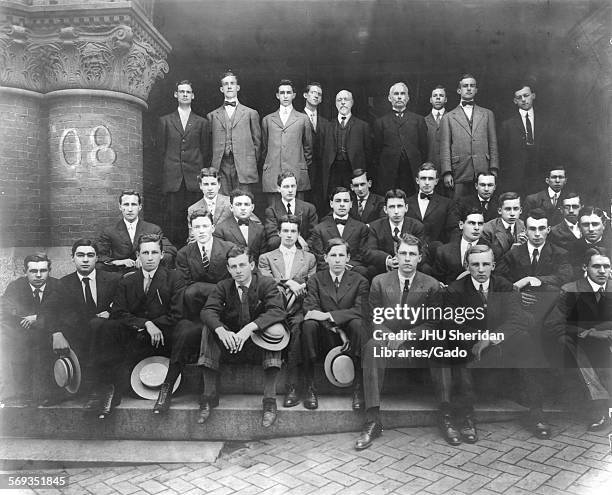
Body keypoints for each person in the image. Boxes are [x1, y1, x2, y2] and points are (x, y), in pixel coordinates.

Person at [90, 234, 200, 419]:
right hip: (138, 336)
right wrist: (145, 324)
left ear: (162, 254)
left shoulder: (174, 278)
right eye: (145, 252)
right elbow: (119, 311)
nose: (150, 257)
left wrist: (155, 324)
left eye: (154, 252)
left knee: (187, 327)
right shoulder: (128, 280)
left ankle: (166, 388)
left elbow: (177, 313)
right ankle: (110, 390)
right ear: (138, 255)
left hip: (165, 336)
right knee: (108, 327)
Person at [445, 245, 540, 441]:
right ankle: (466, 417)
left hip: (499, 342)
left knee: (525, 340)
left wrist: (490, 339)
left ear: (493, 265)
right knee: (457, 347)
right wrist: (479, 337)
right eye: (475, 264)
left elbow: (515, 320)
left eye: (485, 264)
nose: (481, 269)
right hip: (471, 344)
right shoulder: (455, 290)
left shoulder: (505, 286)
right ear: (467, 266)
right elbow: (454, 325)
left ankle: (536, 413)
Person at [356, 234, 441, 450]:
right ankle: (373, 419)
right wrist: (390, 336)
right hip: (387, 341)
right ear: (396, 255)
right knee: (372, 347)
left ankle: (446, 413)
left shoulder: (431, 285)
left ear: (419, 257)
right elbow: (373, 319)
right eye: (403, 253)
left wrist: (406, 336)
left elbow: (433, 323)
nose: (407, 258)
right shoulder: (380, 282)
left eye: (412, 254)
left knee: (443, 346)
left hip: (417, 343)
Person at [198, 245, 287, 427]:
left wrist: (249, 329)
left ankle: (269, 401)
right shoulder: (224, 286)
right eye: (233, 267)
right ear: (229, 269)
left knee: (276, 331)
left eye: (242, 265)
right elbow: (208, 311)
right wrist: (222, 330)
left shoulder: (266, 283)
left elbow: (277, 311)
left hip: (257, 344)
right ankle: (208, 397)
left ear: (252, 265)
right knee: (209, 328)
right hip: (231, 345)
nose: (238, 271)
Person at [547, 247, 612, 432]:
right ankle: (600, 409)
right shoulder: (570, 290)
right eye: (596, 266)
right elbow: (553, 325)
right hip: (579, 343)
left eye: (606, 266)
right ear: (585, 267)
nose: (602, 271)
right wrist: (590, 332)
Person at [302, 238, 369, 410]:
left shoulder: (360, 281)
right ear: (325, 258)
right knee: (309, 325)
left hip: (351, 335)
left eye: (341, 255)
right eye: (333, 255)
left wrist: (330, 315)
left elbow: (361, 310)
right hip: (325, 334)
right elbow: (310, 309)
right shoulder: (315, 280)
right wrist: (334, 327)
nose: (337, 259)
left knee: (359, 324)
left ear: (348, 258)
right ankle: (310, 387)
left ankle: (359, 389)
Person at [258, 214, 317, 408]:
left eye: (293, 231)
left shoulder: (308, 258)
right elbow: (265, 282)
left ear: (299, 234)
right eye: (286, 231)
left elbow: (312, 283)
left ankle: (301, 388)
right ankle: (284, 389)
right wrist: (288, 282)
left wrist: (298, 286)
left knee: (300, 330)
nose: (289, 235)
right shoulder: (266, 257)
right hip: (275, 308)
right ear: (279, 232)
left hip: (298, 308)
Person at [54, 240, 121, 407]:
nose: (85, 259)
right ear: (73, 258)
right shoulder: (63, 284)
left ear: (97, 258)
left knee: (101, 327)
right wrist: (56, 332)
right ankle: (92, 390)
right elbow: (56, 311)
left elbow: (126, 305)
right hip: (81, 336)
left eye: (90, 255)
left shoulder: (113, 279)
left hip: (108, 334)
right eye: (80, 255)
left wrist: (111, 312)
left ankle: (103, 389)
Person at [0, 254, 60, 406]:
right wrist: (30, 319)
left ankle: (49, 393)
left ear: (49, 270)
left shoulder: (58, 286)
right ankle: (18, 393)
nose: (38, 275)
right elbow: (7, 311)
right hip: (22, 334)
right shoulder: (16, 287)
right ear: (25, 271)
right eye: (33, 271)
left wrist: (39, 318)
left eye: (43, 270)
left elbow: (67, 313)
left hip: (49, 332)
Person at [158, 80, 211, 245]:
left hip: (193, 178)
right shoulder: (165, 121)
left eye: (188, 92)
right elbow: (160, 150)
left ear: (193, 95)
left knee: (195, 216)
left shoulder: (201, 122)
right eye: (182, 92)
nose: (185, 94)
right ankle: (174, 252)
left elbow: (206, 150)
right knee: (173, 217)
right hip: (173, 177)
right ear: (176, 94)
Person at [439, 74, 499, 198]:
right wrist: (447, 172)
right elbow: (445, 147)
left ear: (476, 90)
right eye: (465, 86)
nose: (469, 89)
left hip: (483, 167)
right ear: (459, 90)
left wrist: (493, 168)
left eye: (472, 86)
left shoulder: (487, 114)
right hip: (459, 170)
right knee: (457, 205)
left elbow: (493, 143)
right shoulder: (448, 117)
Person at [208, 70, 261, 195]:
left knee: (243, 201)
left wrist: (249, 162)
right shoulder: (212, 116)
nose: (229, 86)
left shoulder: (250, 113)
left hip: (244, 167)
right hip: (221, 166)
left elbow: (257, 144)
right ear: (221, 89)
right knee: (222, 203)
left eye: (232, 83)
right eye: (226, 84)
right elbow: (208, 145)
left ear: (238, 87)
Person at [97, 190, 176, 273]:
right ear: (120, 207)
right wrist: (118, 262)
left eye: (134, 204)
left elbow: (170, 250)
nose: (130, 209)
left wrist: (147, 258)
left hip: (147, 274)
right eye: (126, 204)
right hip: (119, 275)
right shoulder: (109, 231)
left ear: (140, 207)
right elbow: (100, 255)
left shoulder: (153, 229)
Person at [261, 79, 313, 204]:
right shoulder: (267, 120)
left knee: (297, 213)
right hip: (274, 173)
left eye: (288, 92)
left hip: (296, 172)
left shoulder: (303, 119)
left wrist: (299, 163)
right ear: (277, 95)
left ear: (293, 95)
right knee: (274, 212)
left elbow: (308, 148)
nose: (285, 96)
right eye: (282, 92)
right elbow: (264, 148)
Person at [176, 210, 235, 319]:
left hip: (225, 303)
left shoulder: (229, 248)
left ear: (212, 228)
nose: (201, 231)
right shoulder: (183, 254)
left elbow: (234, 278)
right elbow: (185, 285)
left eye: (205, 226)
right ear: (192, 230)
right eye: (197, 227)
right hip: (196, 306)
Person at [373, 82, 428, 196]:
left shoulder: (418, 120)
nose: (399, 96)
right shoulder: (380, 122)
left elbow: (424, 148)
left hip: (412, 170)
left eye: (402, 94)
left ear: (407, 98)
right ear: (389, 98)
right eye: (396, 94)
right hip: (389, 172)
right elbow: (376, 151)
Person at [499, 83, 554, 195]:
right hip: (516, 179)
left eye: (526, 95)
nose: (523, 100)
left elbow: (552, 150)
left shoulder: (546, 122)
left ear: (533, 96)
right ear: (515, 101)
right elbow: (503, 154)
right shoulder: (507, 125)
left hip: (540, 175)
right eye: (519, 97)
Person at [319, 90, 372, 201]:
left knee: (353, 199)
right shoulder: (327, 126)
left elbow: (369, 154)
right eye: (339, 100)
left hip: (353, 170)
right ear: (335, 104)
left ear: (352, 103)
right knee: (333, 198)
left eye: (346, 99)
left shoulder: (362, 126)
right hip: (333, 171)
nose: (343, 102)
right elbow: (321, 152)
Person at [309, 187, 371, 278]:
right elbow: (320, 259)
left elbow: (362, 256)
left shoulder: (361, 228)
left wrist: (344, 268)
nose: (342, 204)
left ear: (351, 204)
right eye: (338, 201)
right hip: (328, 274)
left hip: (353, 273)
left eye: (346, 201)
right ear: (331, 204)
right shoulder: (319, 229)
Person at [365, 189, 425, 276]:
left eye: (400, 206)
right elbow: (370, 251)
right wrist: (387, 260)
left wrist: (405, 260)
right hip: (385, 270)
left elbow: (423, 252)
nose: (396, 212)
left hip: (410, 267)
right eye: (392, 207)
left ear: (406, 208)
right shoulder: (374, 227)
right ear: (385, 209)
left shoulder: (417, 226)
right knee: (371, 269)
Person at [263, 171, 318, 251]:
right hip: (281, 253)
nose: (290, 190)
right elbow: (272, 241)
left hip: (305, 253)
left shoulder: (308, 208)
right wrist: (296, 237)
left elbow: (315, 235)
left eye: (293, 186)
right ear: (278, 189)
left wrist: (304, 248)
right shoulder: (272, 211)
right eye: (286, 187)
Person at [406, 163, 458, 244]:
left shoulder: (447, 204)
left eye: (430, 179)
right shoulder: (406, 203)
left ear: (436, 181)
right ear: (417, 181)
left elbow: (452, 232)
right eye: (423, 178)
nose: (427, 182)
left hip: (437, 251)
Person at [432, 207, 485, 284]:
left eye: (480, 224)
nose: (476, 228)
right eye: (472, 223)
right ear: (461, 225)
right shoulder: (444, 251)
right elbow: (437, 280)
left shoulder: (493, 251)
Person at [213, 189, 266, 264]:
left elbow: (262, 257)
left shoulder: (260, 229)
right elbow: (220, 258)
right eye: (238, 204)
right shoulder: (221, 229)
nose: (243, 208)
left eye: (246, 204)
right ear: (231, 207)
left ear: (252, 207)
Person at [302, 82, 329, 213]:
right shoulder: (297, 118)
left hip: (321, 171)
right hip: (303, 169)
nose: (316, 96)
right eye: (313, 92)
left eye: (319, 94)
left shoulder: (326, 123)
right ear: (305, 95)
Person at [567, 206, 612, 278]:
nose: (591, 229)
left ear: (604, 225)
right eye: (586, 225)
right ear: (579, 227)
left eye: (595, 224)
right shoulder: (571, 249)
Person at [480, 192, 527, 261]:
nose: (512, 214)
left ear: (520, 210)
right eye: (508, 209)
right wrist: (512, 251)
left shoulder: (525, 226)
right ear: (499, 211)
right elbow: (487, 260)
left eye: (516, 209)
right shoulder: (487, 229)